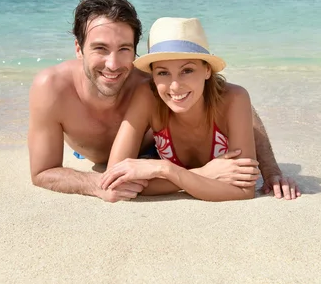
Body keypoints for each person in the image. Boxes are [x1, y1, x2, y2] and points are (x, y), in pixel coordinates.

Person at [28, 0, 300, 202]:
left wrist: (271, 170)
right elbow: (46, 172)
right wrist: (198, 174)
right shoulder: (53, 89)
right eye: (100, 48)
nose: (113, 64)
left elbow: (230, 101)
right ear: (78, 48)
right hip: (135, 163)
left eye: (124, 49)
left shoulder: (151, 81)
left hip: (152, 157)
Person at [100, 17, 259, 201]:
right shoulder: (147, 96)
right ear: (153, 75)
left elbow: (244, 191)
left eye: (187, 70)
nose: (175, 86)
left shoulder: (234, 99)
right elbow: (115, 182)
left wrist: (165, 171)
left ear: (207, 69)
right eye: (163, 72)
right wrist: (202, 173)